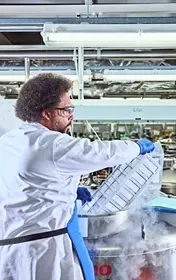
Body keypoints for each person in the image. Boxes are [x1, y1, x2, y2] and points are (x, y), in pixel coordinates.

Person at [0, 72, 155, 280]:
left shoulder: (11, 139)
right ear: (46, 113)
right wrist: (136, 147)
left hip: (10, 250)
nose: (71, 116)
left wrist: (69, 190)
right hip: (42, 253)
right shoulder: (52, 143)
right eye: (66, 110)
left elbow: (28, 185)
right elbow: (100, 152)